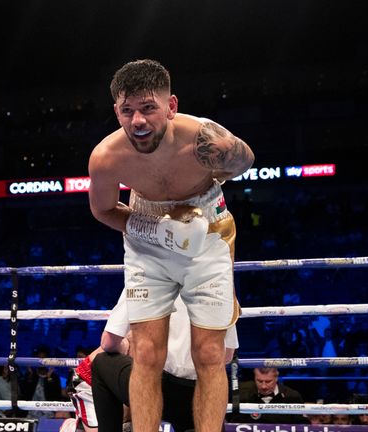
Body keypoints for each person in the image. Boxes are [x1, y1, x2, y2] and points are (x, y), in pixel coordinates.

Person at [87, 59, 254, 432]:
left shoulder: (204, 140)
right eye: (127, 111)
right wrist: (153, 227)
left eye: (148, 108)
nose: (138, 121)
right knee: (145, 353)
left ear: (171, 106)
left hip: (208, 236)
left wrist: (209, 194)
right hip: (148, 243)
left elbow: (245, 160)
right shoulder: (106, 157)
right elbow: (101, 209)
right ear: (117, 111)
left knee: (210, 354)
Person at [86, 293, 238, 432]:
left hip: (155, 390)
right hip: (203, 394)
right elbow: (228, 355)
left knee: (101, 363)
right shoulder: (221, 283)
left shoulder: (147, 273)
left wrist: (126, 344)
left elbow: (108, 342)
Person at [227, 367, 306, 425]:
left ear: (276, 378)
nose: (263, 386)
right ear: (254, 377)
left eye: (268, 381)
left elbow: (301, 425)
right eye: (259, 381)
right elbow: (231, 422)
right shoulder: (242, 393)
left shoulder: (292, 396)